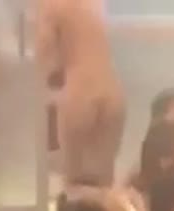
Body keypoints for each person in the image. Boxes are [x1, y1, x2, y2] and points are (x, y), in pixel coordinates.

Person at [35, 0, 125, 186]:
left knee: (73, 178)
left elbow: (44, 50)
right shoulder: (93, 3)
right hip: (113, 90)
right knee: (105, 178)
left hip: (81, 89)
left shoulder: (50, 4)